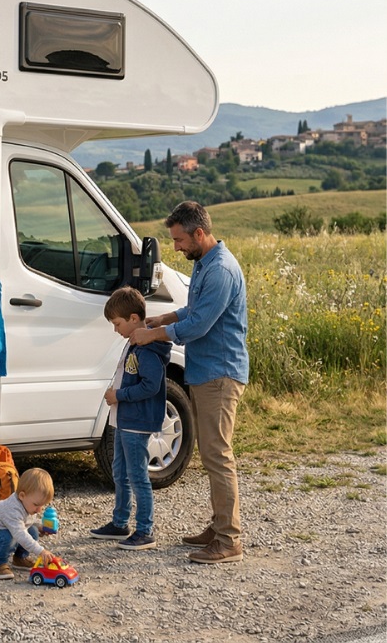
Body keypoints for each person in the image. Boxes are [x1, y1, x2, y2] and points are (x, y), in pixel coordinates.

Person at [129, 201, 248, 564]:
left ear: (199, 233)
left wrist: (156, 334)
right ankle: (220, 525)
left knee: (218, 455)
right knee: (213, 456)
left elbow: (198, 326)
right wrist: (165, 316)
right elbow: (192, 312)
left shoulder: (221, 271)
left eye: (180, 240)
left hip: (219, 375)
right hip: (205, 372)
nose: (177, 247)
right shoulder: (205, 264)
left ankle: (229, 540)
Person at [90, 286, 171, 550]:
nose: (116, 329)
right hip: (123, 420)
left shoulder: (147, 350)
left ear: (134, 319)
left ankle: (145, 530)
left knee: (137, 475)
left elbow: (151, 386)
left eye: (117, 324)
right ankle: (120, 522)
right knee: (120, 472)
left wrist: (120, 395)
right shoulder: (134, 344)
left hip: (136, 423)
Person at [0, 468, 57, 580]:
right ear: (22, 496)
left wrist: (40, 527)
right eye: (37, 505)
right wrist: (40, 551)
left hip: (8, 532)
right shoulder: (12, 509)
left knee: (32, 530)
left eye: (42, 505)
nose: (39, 510)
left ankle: (20, 559)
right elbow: (20, 533)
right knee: (9, 536)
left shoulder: (28, 504)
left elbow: (27, 523)